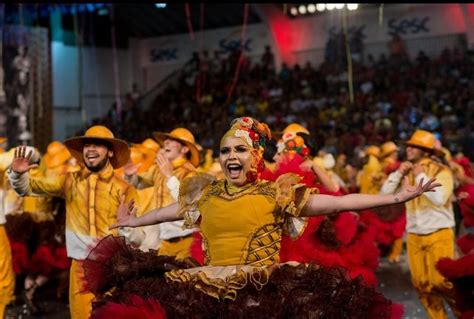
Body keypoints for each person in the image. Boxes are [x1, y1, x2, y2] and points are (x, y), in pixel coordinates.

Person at [85, 117, 439, 318]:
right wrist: (134, 221)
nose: (230, 156)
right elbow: (173, 210)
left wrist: (395, 196)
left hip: (260, 296)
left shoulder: (275, 193)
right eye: (225, 151)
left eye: (240, 149)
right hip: (205, 291)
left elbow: (335, 203)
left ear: (255, 156)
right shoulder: (206, 192)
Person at [7, 125, 144, 319]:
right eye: (87, 145)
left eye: (97, 145)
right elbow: (30, 188)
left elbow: (138, 236)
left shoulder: (124, 188)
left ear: (110, 151)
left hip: (114, 269)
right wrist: (18, 174)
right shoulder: (69, 181)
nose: (91, 149)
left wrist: (126, 226)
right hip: (80, 268)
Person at [380, 129, 460, 318]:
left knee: (442, 282)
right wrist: (398, 173)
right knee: (422, 285)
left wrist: (421, 176)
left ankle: (465, 313)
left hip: (439, 232)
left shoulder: (442, 170)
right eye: (409, 146)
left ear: (427, 151)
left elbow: (439, 199)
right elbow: (384, 195)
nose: (409, 149)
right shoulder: (405, 170)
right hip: (415, 234)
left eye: (415, 147)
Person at [124, 128, 199, 257]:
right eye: (166, 140)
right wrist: (131, 176)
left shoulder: (190, 172)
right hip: (164, 241)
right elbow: (141, 185)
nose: (166, 142)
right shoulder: (160, 170)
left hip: (187, 241)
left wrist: (170, 176)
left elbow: (188, 205)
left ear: (184, 149)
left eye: (172, 140)